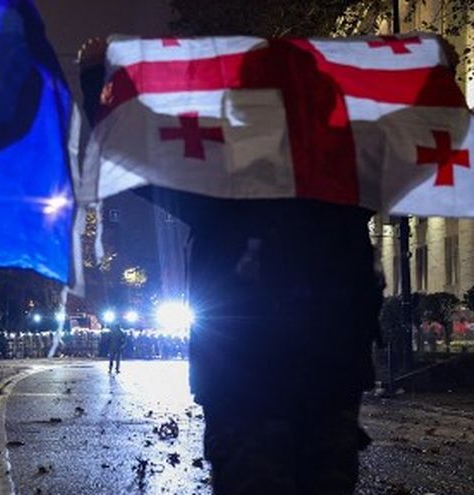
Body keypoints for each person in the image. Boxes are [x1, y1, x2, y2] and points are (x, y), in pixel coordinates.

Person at [78, 37, 386, 494]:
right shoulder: (347, 184)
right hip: (328, 378)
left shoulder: (217, 185)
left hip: (244, 382)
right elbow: (420, 145)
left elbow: (127, 148)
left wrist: (95, 77)